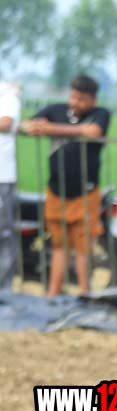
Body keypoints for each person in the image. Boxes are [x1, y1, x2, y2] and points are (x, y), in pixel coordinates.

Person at [20, 74, 111, 296]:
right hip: (56, 191)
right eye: (73, 97)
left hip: (85, 192)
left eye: (82, 99)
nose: (75, 103)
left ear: (93, 100)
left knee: (83, 249)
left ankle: (85, 294)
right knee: (59, 246)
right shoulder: (56, 110)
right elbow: (27, 125)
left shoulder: (101, 114)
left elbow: (92, 131)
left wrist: (50, 129)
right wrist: (34, 127)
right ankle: (52, 293)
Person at [0, 81, 20, 291]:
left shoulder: (7, 94)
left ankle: (4, 289)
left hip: (2, 176)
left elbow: (5, 123)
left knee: (3, 232)